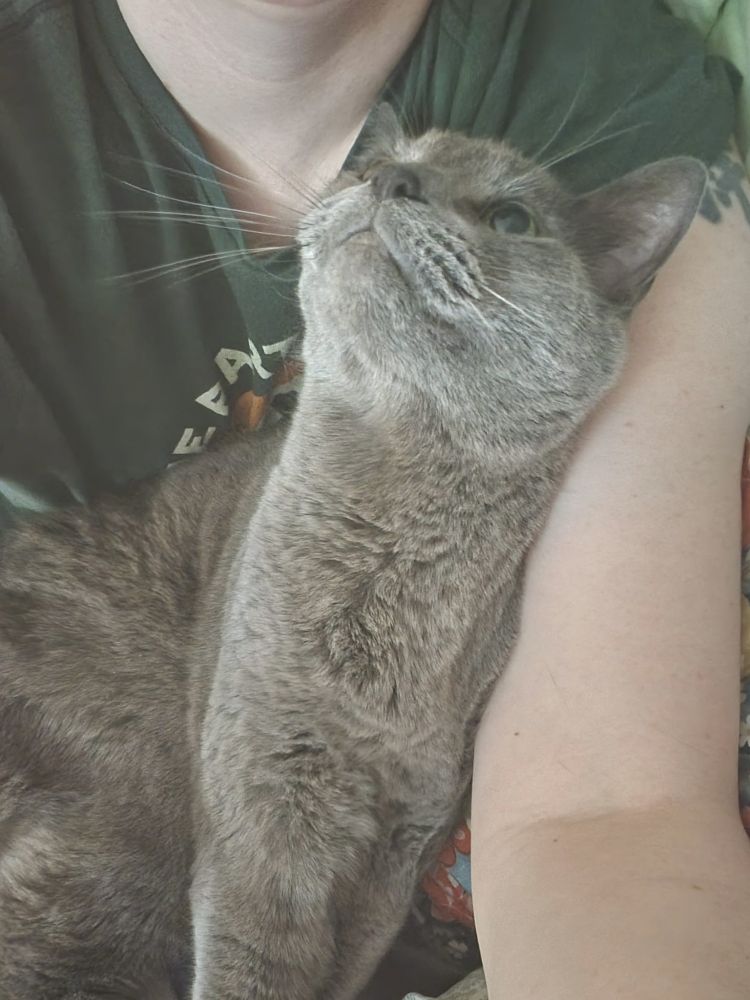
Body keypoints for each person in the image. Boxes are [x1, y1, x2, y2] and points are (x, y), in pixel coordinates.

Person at [1, 1, 750, 997]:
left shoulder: (602, 85)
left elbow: (611, 806)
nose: (397, 192)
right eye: (380, 178)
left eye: (507, 215)